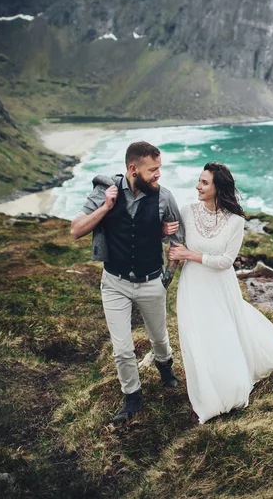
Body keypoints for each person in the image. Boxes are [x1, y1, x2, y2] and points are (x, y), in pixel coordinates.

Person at [169, 162, 273, 424]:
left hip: (219, 286)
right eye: (199, 180)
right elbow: (170, 234)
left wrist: (189, 254)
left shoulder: (235, 221)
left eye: (204, 182)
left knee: (221, 336)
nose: (198, 186)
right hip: (192, 285)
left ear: (219, 188)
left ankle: (228, 390)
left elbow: (226, 261)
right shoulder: (186, 211)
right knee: (196, 338)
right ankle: (204, 398)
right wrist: (166, 234)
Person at [71, 141, 184, 426]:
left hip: (151, 282)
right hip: (114, 283)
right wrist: (106, 208)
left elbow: (177, 242)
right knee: (122, 348)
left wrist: (165, 280)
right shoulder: (104, 192)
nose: (159, 175)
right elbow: (76, 229)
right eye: (153, 170)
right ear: (133, 169)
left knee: (159, 337)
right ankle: (132, 396)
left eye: (160, 168)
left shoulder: (164, 197)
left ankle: (165, 366)